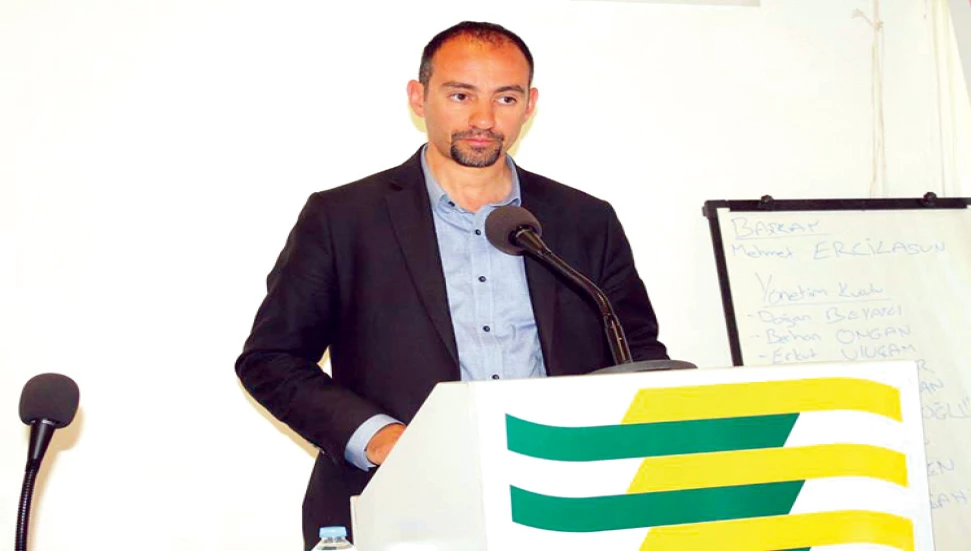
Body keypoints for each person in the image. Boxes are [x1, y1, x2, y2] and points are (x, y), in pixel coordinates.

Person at [235, 21, 667, 549]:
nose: (483, 119)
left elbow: (638, 354)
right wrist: (380, 438)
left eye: (505, 98)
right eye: (461, 95)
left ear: (529, 105)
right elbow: (271, 360)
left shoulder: (585, 221)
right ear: (419, 98)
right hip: (400, 504)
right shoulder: (343, 218)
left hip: (565, 505)